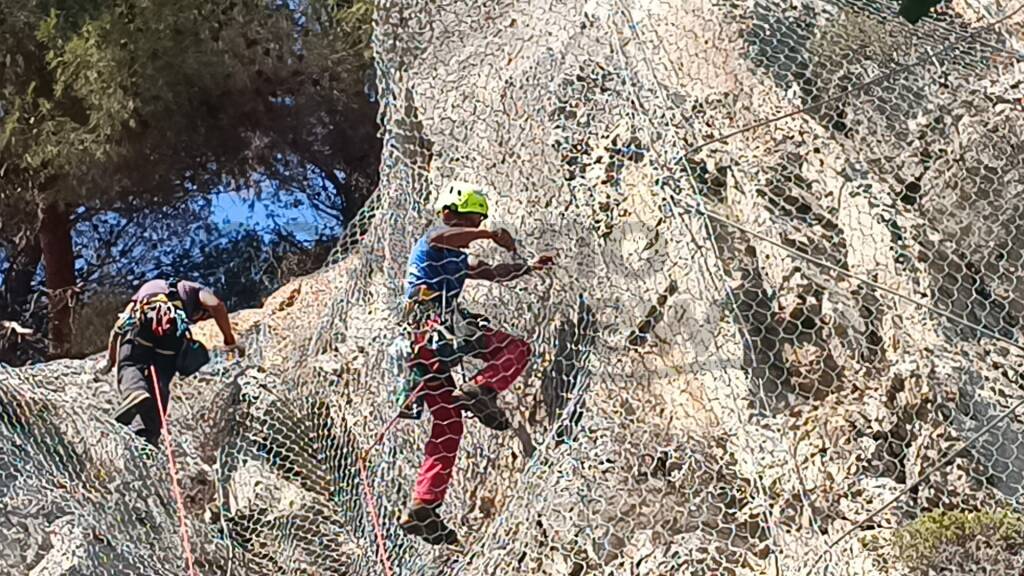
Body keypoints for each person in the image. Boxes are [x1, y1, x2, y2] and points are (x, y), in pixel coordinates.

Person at [396, 181, 555, 545]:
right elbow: (442, 237)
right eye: (467, 220)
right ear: (450, 214)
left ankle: (423, 505)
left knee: (449, 421)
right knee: (516, 349)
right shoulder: (434, 240)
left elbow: (493, 272)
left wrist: (528, 266)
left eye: (476, 222)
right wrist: (488, 232)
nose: (470, 232)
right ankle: (481, 389)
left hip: (425, 346)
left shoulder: (458, 256)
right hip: (433, 328)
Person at [97, 278, 244, 447]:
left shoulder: (145, 292)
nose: (196, 319)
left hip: (143, 327)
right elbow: (216, 305)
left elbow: (119, 328)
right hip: (171, 335)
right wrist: (229, 339)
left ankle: (135, 395)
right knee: (161, 381)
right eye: (199, 316)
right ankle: (149, 432)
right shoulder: (194, 289)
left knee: (131, 364)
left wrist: (111, 360)